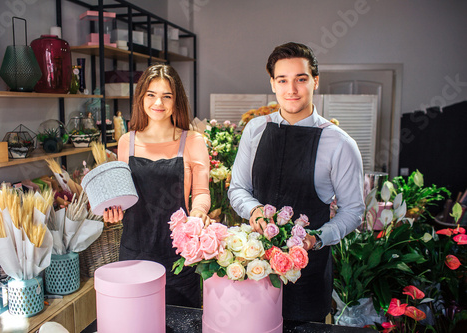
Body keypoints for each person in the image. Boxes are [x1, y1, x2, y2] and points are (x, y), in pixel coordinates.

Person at [228, 42, 365, 322]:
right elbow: (238, 189)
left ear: (315, 81)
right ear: (273, 84)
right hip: (255, 266)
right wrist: (254, 211)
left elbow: (353, 211)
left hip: (308, 272)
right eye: (283, 80)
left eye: (301, 79)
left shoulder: (339, 143)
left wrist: (316, 239)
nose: (291, 90)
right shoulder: (255, 130)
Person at [104, 64, 211, 308]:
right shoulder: (126, 142)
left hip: (179, 256)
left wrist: (198, 212)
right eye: (151, 94)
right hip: (134, 252)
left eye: (167, 96)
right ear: (141, 98)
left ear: (176, 101)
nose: (158, 102)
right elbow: (123, 195)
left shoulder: (192, 140)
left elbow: (202, 193)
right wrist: (113, 211)